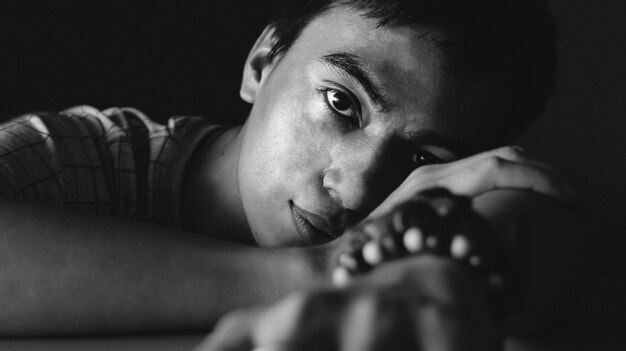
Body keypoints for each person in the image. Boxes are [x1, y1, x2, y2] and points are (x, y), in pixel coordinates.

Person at [0, 0, 589, 350]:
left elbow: (541, 220)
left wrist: (454, 267)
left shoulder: (421, 236)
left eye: (422, 159)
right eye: (342, 103)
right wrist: (331, 267)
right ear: (262, 64)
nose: (357, 189)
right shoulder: (73, 156)